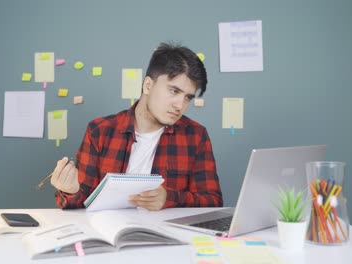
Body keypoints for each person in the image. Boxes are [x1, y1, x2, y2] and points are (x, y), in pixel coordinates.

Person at [51, 42, 223, 210]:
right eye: (174, 91)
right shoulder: (100, 131)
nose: (180, 105)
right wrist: (71, 190)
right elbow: (82, 201)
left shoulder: (196, 135)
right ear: (148, 85)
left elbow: (213, 201)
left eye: (188, 97)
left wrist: (168, 198)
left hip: (165, 236)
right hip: (107, 234)